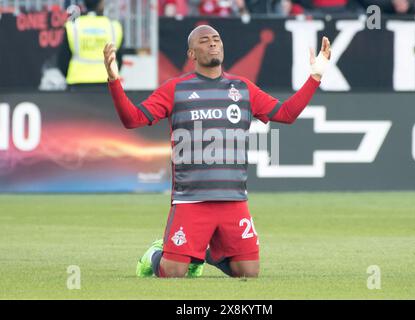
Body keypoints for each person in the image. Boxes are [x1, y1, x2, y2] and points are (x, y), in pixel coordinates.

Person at [104, 25, 331, 278]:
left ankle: (201, 253)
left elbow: (286, 114)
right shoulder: (175, 89)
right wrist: (114, 81)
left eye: (216, 39)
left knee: (248, 273)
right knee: (173, 273)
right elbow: (132, 119)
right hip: (191, 200)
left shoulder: (243, 88)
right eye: (204, 40)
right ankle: (156, 255)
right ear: (191, 53)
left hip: (233, 199)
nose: (212, 43)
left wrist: (315, 77)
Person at [57, 0, 124, 87]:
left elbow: (63, 59)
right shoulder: (114, 27)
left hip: (77, 82)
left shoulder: (73, 27)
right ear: (101, 4)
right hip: (108, 83)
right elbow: (119, 58)